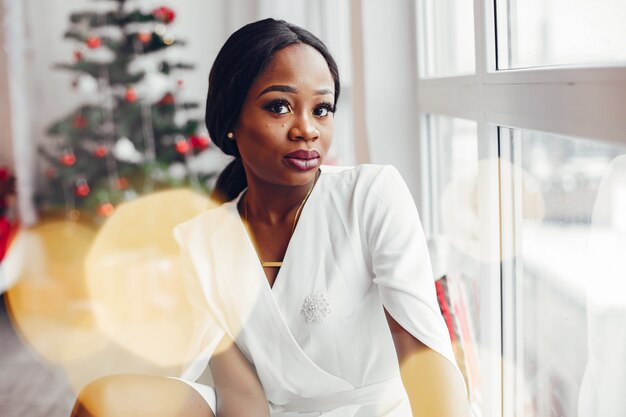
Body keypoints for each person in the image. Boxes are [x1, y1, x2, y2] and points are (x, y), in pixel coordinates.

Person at [71, 18, 469, 417]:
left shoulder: (371, 195)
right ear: (231, 121)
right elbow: (242, 397)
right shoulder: (201, 241)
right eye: (279, 106)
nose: (307, 129)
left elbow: (423, 357)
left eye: (322, 108)